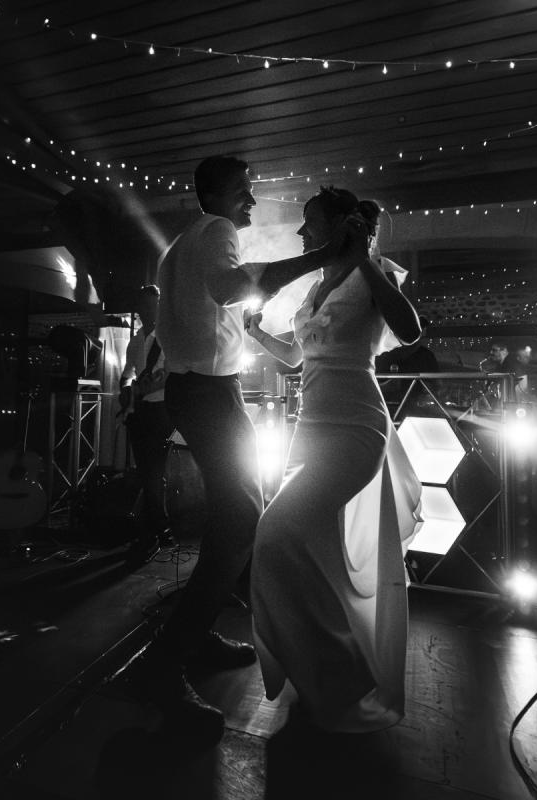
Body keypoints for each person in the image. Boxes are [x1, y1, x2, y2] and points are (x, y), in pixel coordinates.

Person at [129, 155, 365, 738]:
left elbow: (199, 309)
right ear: (215, 194)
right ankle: (164, 664)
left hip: (196, 390)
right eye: (243, 191)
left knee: (233, 520)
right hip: (210, 392)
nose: (252, 202)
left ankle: (195, 636)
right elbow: (231, 287)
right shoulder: (217, 230)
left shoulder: (178, 245)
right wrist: (319, 257)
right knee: (241, 521)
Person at [245, 186, 424, 732]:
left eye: (310, 222)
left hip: (356, 427)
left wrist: (364, 258)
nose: (302, 233)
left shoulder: (375, 275)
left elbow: (411, 332)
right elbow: (297, 357)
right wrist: (257, 334)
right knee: (312, 554)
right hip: (310, 430)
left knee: (276, 535)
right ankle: (329, 673)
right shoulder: (315, 286)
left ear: (341, 225)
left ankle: (336, 670)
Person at [117, 285, 171, 563]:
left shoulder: (169, 336)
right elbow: (128, 372)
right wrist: (126, 388)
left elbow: (170, 375)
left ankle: (153, 532)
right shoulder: (136, 340)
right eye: (144, 305)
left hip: (161, 410)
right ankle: (157, 528)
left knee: (153, 473)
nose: (148, 310)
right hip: (140, 411)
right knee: (147, 472)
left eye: (153, 305)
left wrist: (142, 388)